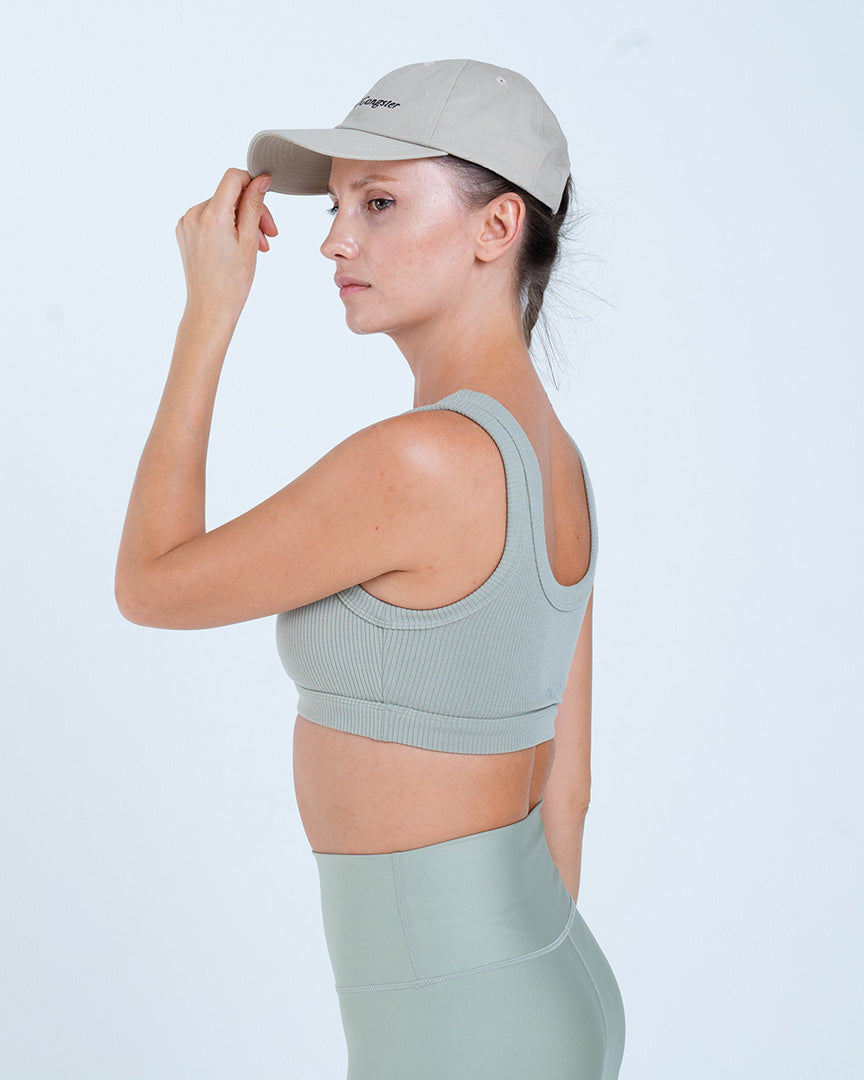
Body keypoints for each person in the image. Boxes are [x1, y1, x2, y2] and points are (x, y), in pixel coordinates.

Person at [116, 58, 625, 1080]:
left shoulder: (423, 461)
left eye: (380, 203)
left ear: (498, 227)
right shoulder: (554, 459)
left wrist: (208, 313)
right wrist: (501, 992)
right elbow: (566, 787)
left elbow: (152, 583)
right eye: (337, 204)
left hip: (458, 1022)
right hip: (530, 983)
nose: (335, 239)